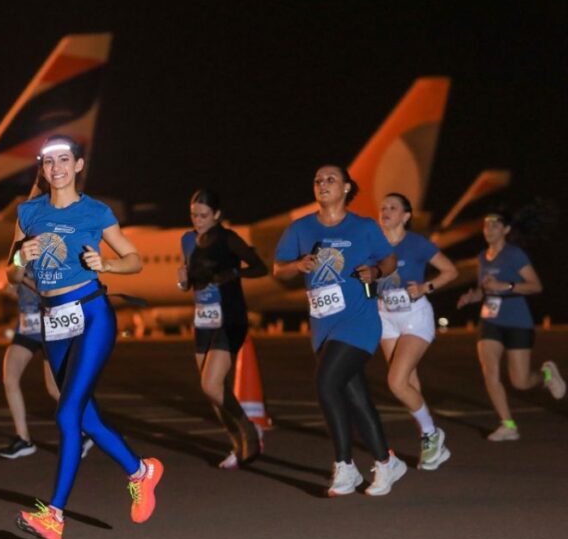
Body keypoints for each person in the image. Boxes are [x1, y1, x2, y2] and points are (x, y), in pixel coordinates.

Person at [9, 135, 162, 539]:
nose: (56, 167)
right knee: (86, 416)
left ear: (78, 166)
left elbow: (135, 258)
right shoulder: (28, 212)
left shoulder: (96, 212)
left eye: (64, 159)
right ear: (42, 169)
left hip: (92, 315)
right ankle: (139, 470)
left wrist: (106, 262)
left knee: (67, 413)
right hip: (52, 321)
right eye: (48, 161)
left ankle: (54, 514)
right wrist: (23, 254)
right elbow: (10, 272)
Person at [273, 165, 407, 497]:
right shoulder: (300, 228)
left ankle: (344, 466)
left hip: (359, 321)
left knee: (326, 382)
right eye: (317, 180)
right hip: (323, 325)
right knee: (356, 397)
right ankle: (387, 462)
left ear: (347, 187)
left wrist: (375, 270)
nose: (322, 184)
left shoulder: (363, 227)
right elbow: (279, 269)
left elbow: (389, 261)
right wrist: (296, 266)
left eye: (331, 179)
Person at [177, 189, 268, 469]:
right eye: (194, 215)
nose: (198, 220)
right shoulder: (187, 240)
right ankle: (237, 442)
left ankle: (249, 431)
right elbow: (190, 281)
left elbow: (260, 267)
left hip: (230, 317)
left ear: (217, 215)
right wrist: (182, 281)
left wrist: (236, 273)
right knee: (213, 391)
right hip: (203, 318)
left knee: (211, 383)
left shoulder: (227, 238)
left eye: (204, 215)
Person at [456, 210, 564, 441]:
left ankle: (545, 374)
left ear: (505, 230)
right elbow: (485, 289)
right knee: (490, 371)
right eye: (486, 225)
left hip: (517, 320)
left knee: (520, 381)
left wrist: (506, 286)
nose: (489, 229)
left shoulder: (515, 255)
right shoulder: (483, 257)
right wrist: (472, 297)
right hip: (490, 321)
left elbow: (536, 286)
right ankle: (508, 424)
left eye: (495, 225)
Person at [376, 193, 458, 469]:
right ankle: (431, 443)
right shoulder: (373, 244)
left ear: (406, 216)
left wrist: (425, 287)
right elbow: (365, 280)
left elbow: (450, 271)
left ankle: (431, 433)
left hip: (415, 316)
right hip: (386, 317)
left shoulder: (417, 243)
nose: (386, 211)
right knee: (408, 383)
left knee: (396, 382)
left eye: (393, 208)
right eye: (383, 207)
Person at [0, 277, 61, 458]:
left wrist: (23, 278)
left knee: (54, 390)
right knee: (10, 379)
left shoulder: (51, 254)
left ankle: (84, 430)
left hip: (50, 327)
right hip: (26, 328)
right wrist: (13, 282)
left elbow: (50, 290)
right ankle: (23, 439)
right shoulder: (19, 256)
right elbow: (10, 289)